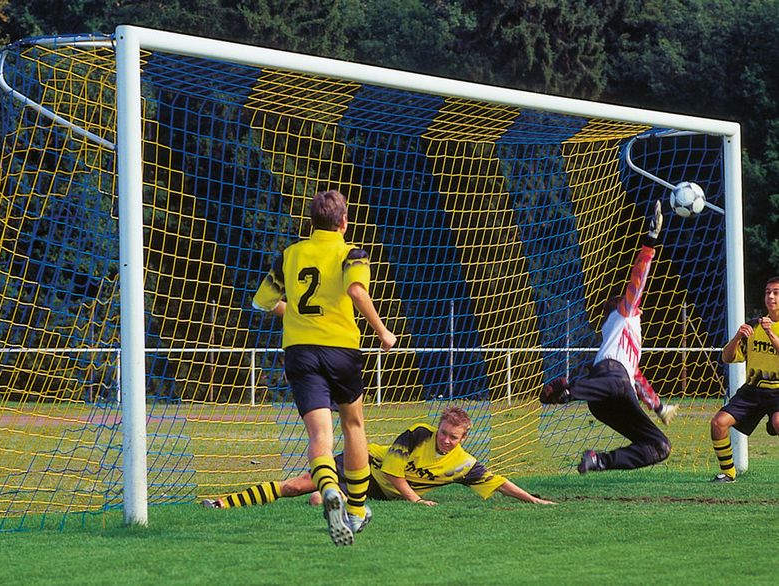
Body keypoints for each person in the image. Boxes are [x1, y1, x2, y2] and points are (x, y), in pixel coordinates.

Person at [251, 189, 396, 546]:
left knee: (319, 435)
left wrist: (297, 316)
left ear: (311, 222)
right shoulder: (352, 254)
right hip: (341, 350)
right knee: (353, 423)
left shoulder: (290, 255)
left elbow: (263, 302)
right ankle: (358, 509)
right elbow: (358, 292)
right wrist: (383, 331)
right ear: (344, 222)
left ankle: (329, 487)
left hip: (300, 353)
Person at [540, 201, 676, 473]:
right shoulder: (624, 315)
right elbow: (638, 277)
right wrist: (650, 241)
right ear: (619, 306)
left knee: (660, 445)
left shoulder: (627, 339)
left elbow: (637, 378)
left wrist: (659, 407)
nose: (635, 301)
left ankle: (599, 461)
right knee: (617, 382)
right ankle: (569, 390)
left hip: (609, 397)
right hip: (608, 382)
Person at [201, 406, 554, 509]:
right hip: (365, 463)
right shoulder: (418, 434)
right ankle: (221, 504)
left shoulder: (462, 463)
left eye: (452, 436)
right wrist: (417, 500)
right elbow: (397, 476)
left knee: (315, 497)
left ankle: (331, 498)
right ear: (438, 427)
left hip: (376, 492)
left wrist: (534, 499)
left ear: (464, 438)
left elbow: (499, 482)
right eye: (443, 432)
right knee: (298, 485)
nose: (445, 439)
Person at [709, 277, 779, 482]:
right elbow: (726, 358)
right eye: (767, 292)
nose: (771, 296)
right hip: (752, 390)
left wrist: (770, 333)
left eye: (776, 292)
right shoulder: (753, 326)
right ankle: (728, 473)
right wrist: (737, 337)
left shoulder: (767, 328)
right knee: (718, 423)